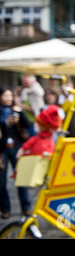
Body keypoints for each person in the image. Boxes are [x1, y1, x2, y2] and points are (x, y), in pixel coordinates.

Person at [0, 87, 32, 218]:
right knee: (2, 181)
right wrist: (6, 123)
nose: (8, 99)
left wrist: (20, 112)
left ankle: (26, 207)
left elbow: (28, 125)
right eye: (5, 96)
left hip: (17, 147)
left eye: (10, 96)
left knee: (21, 178)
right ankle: (5, 209)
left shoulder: (16, 109)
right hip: (2, 149)